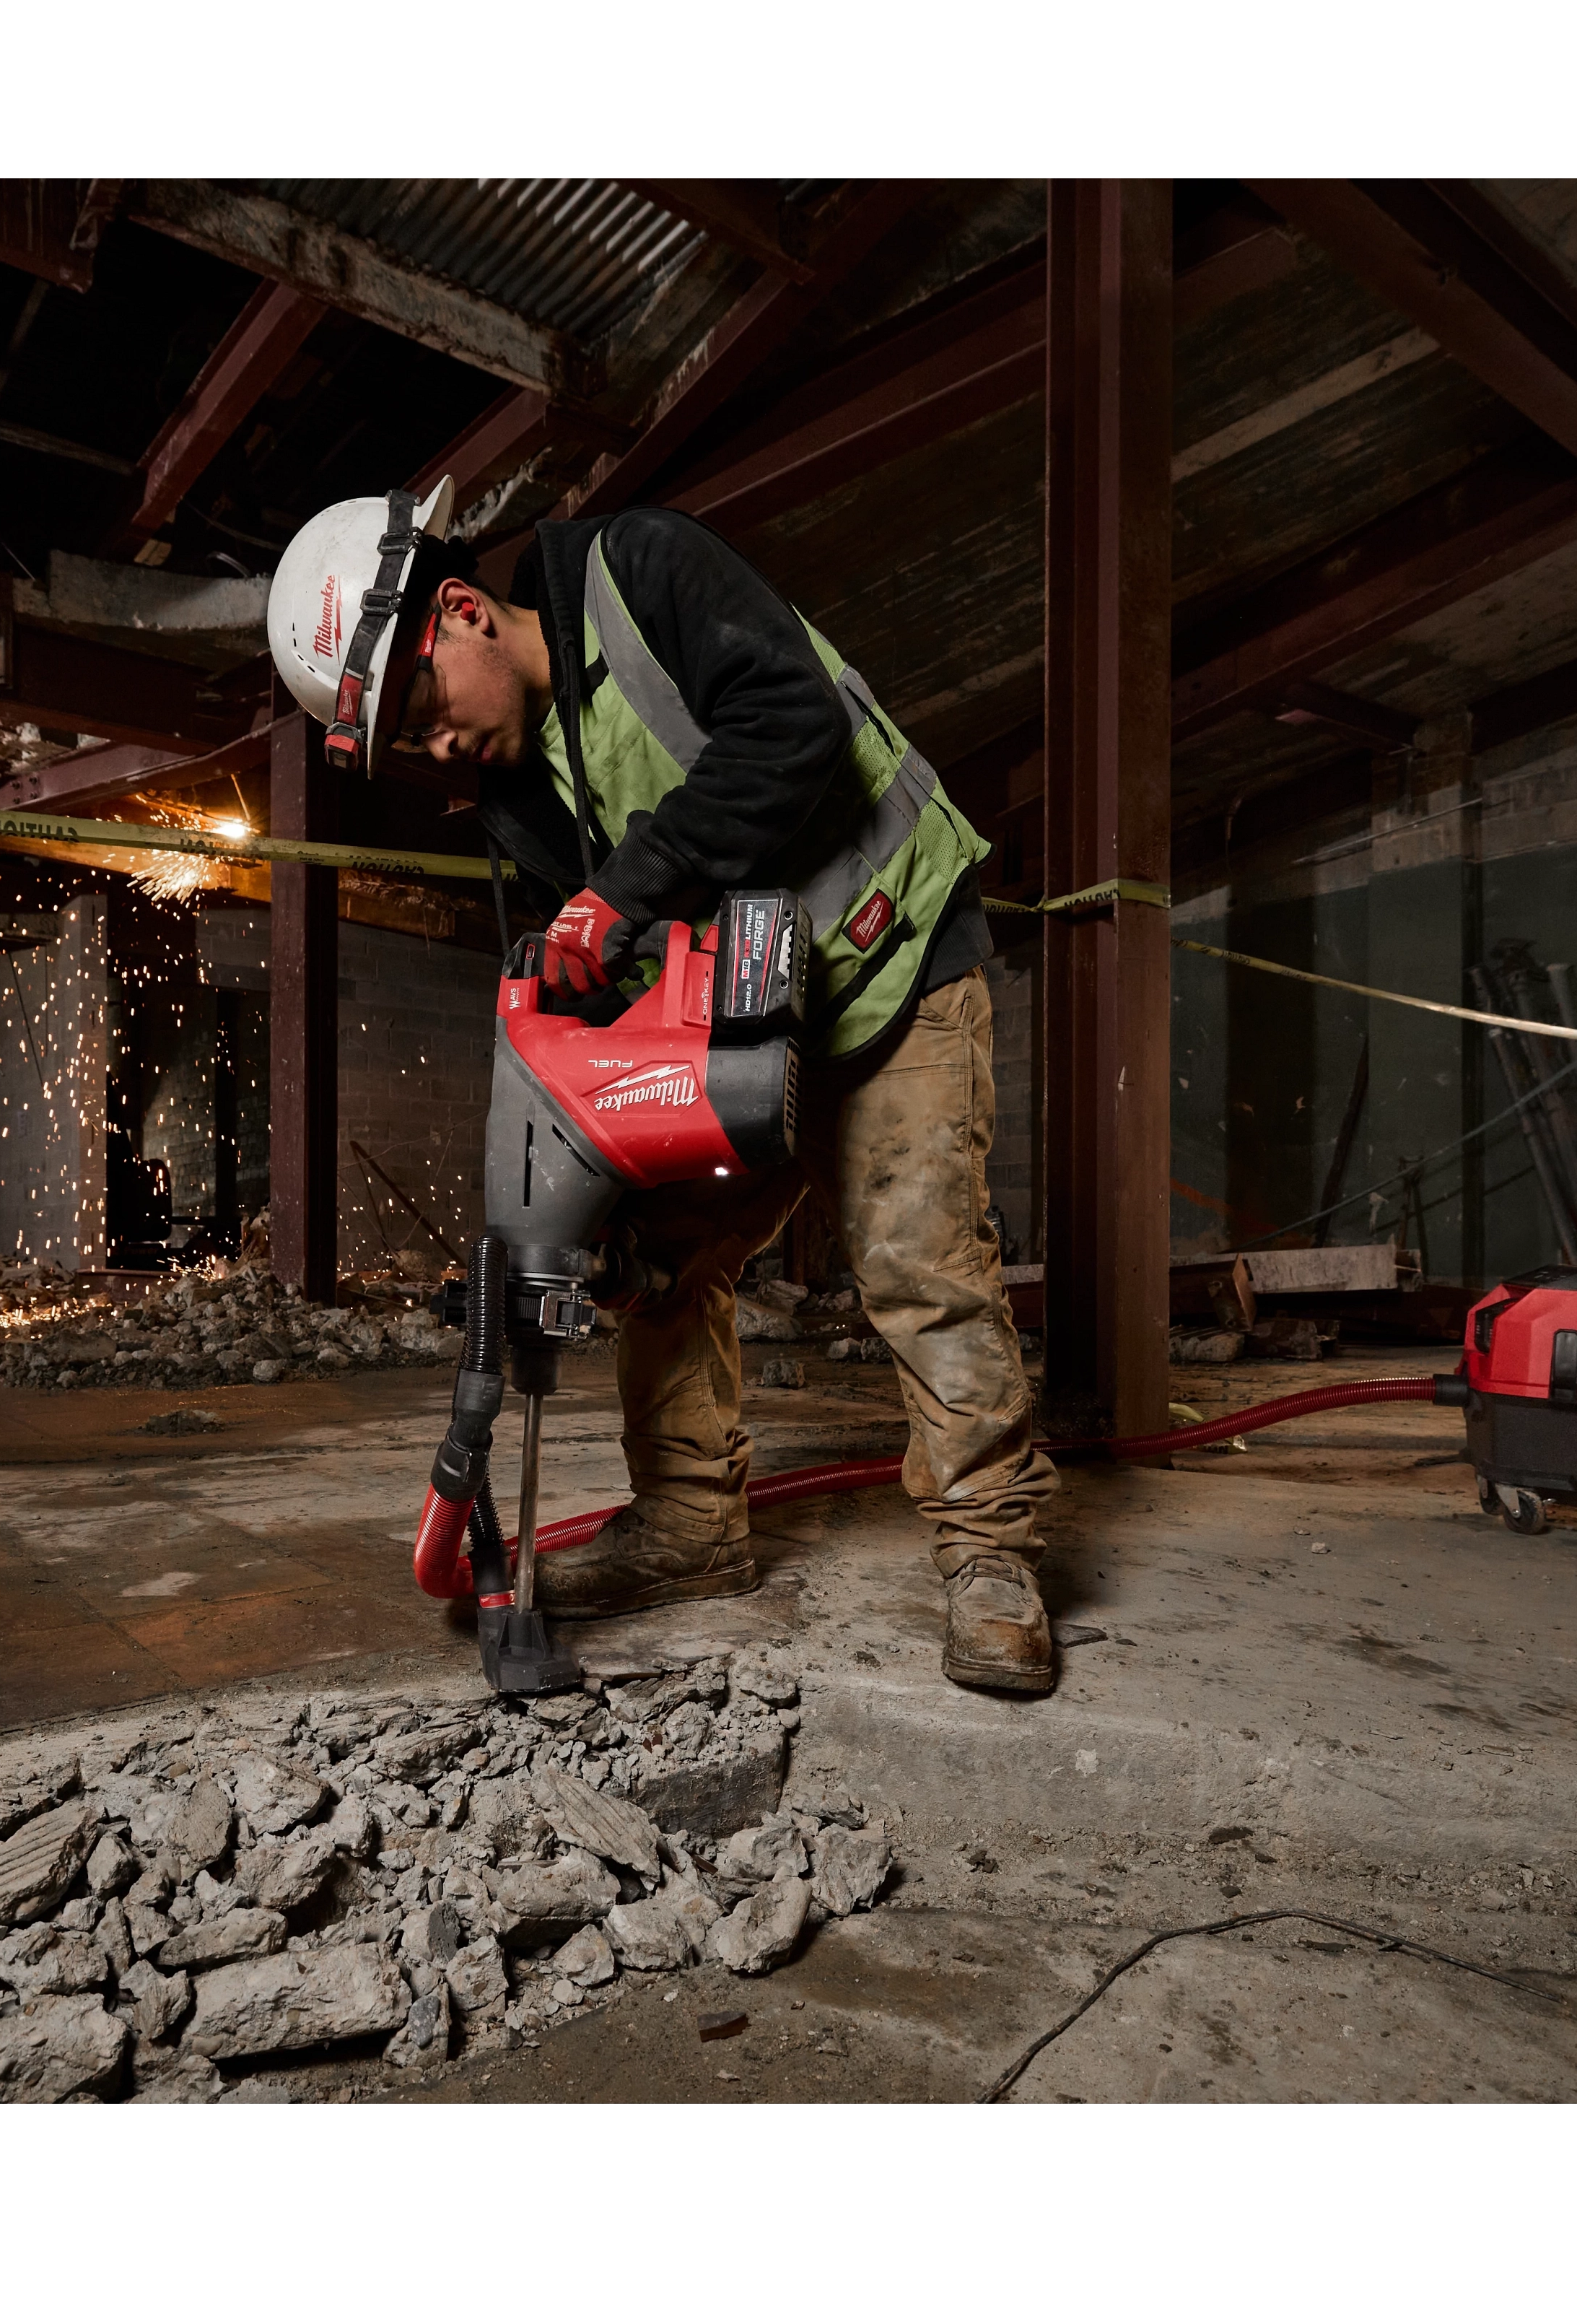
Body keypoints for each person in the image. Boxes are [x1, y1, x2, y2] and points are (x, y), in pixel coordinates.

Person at [267, 477, 1058, 1697]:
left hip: (890, 953)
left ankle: (991, 1555)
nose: (437, 749)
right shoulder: (519, 802)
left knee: (917, 1256)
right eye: (406, 749)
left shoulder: (643, 573)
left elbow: (794, 727)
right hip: (755, 1022)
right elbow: (602, 978)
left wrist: (627, 891)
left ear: (466, 611)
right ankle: (692, 1527)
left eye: (422, 706)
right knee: (652, 1254)